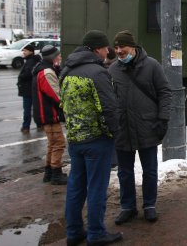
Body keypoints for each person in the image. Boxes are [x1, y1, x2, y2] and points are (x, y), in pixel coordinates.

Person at [60, 30, 122, 246]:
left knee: (76, 186)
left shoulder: (67, 70)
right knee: (96, 187)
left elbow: (63, 105)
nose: (108, 52)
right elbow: (109, 108)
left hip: (75, 139)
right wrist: (114, 133)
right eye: (106, 48)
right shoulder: (97, 72)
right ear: (97, 49)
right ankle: (96, 234)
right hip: (96, 140)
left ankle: (74, 232)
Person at [108, 30, 172, 224]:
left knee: (150, 170)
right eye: (116, 47)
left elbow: (165, 93)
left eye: (122, 47)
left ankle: (149, 205)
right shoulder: (112, 69)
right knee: (124, 172)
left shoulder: (152, 66)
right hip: (123, 128)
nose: (119, 51)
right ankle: (128, 207)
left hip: (147, 126)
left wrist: (163, 119)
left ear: (133, 47)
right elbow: (109, 99)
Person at [32, 45, 67, 185]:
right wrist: (66, 107)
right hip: (50, 114)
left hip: (45, 114)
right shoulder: (46, 72)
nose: (60, 57)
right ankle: (56, 173)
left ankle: (49, 172)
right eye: (58, 55)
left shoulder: (42, 69)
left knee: (52, 144)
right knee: (59, 143)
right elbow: (56, 95)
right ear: (52, 57)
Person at [17, 44, 38, 133]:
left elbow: (28, 74)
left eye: (25, 50)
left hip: (28, 89)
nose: (23, 52)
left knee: (27, 109)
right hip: (32, 88)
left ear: (30, 52)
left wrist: (21, 76)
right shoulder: (33, 60)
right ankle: (39, 124)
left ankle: (26, 127)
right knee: (36, 108)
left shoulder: (30, 61)